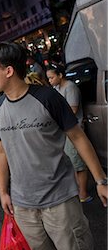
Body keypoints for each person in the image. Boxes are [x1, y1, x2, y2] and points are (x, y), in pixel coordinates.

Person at [0, 41, 107, 250]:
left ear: (9, 71)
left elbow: (78, 137)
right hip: (23, 205)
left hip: (61, 200)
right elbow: (0, 151)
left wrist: (100, 181)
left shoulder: (47, 98)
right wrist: (3, 192)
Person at [46, 63, 92, 202]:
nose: (50, 81)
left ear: (60, 75)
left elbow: (73, 110)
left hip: (73, 131)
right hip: (63, 131)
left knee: (77, 163)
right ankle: (79, 192)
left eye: (52, 77)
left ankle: (83, 193)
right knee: (71, 163)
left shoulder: (70, 88)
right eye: (48, 78)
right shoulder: (57, 88)